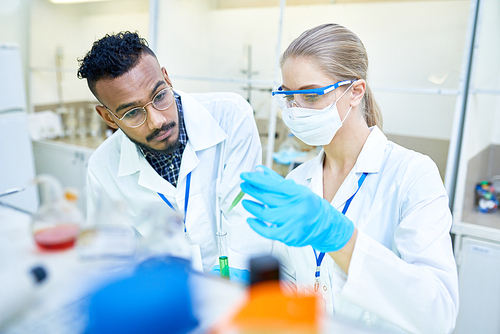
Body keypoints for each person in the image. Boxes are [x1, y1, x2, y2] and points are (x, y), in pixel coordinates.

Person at [239, 23, 459, 333]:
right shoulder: (299, 180)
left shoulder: (411, 174)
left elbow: (438, 314)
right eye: (289, 97)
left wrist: (343, 239)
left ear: (355, 92)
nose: (296, 111)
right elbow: (294, 285)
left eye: (311, 96)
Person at [77, 31, 271, 278]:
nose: (157, 121)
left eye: (159, 96)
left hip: (235, 282)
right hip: (165, 294)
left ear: (166, 78)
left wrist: (238, 274)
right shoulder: (102, 167)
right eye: (133, 113)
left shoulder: (230, 115)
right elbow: (111, 255)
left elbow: (245, 211)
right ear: (108, 118)